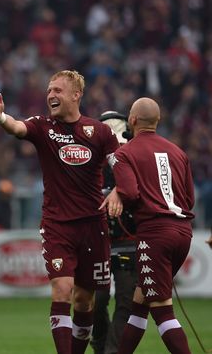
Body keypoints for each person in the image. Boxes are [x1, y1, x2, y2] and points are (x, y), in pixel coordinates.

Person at [0, 70, 120, 354]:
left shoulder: (100, 132)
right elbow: (17, 128)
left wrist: (120, 191)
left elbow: (121, 168)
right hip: (57, 225)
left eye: (58, 90)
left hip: (93, 226)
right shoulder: (42, 127)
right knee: (62, 289)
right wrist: (1, 117)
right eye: (49, 91)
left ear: (76, 95)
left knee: (85, 301)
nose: (51, 95)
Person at [101, 98, 194, 354]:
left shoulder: (124, 153)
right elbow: (189, 198)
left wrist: (119, 194)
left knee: (162, 310)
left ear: (131, 121)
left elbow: (129, 193)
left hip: (154, 235)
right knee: (140, 302)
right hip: (183, 233)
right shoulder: (178, 152)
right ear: (158, 121)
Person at [90, 111, 137, 354]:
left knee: (126, 303)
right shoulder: (90, 161)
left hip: (130, 240)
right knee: (95, 302)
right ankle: (101, 345)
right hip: (98, 242)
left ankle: (111, 350)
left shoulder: (136, 158)